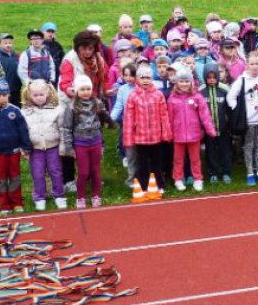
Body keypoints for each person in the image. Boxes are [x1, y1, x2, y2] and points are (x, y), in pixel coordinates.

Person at [0, 79, 31, 214]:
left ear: (8, 95)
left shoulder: (15, 111)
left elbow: (23, 130)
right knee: (1, 178)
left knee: (15, 176)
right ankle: (4, 204)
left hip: (14, 152)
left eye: (4, 95)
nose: (1, 98)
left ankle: (17, 202)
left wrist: (26, 147)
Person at [61, 75, 112, 208]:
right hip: (80, 143)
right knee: (83, 172)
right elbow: (66, 128)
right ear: (77, 90)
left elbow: (102, 120)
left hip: (95, 142)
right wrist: (69, 148)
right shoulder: (71, 106)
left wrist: (109, 123)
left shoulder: (97, 103)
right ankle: (80, 197)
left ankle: (96, 195)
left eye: (88, 89)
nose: (85, 92)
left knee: (96, 171)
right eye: (82, 89)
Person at [123, 63, 172, 200]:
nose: (145, 80)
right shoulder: (133, 96)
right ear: (137, 79)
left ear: (152, 79)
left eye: (148, 78)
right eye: (142, 77)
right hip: (140, 138)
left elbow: (164, 115)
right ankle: (143, 187)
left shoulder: (158, 95)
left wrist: (166, 133)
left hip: (156, 137)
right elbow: (129, 118)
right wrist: (128, 139)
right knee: (142, 164)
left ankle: (159, 185)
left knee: (157, 163)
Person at [167, 67, 217, 192]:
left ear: (191, 82)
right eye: (181, 81)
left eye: (186, 81)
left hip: (194, 134)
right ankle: (178, 179)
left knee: (195, 159)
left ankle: (198, 179)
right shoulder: (172, 98)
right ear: (177, 82)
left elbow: (205, 115)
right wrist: (169, 133)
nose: (184, 84)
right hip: (178, 135)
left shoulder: (197, 97)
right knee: (178, 159)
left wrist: (210, 129)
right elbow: (169, 118)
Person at [21, 80, 67, 211]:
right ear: (29, 95)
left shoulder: (57, 110)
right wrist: (23, 148)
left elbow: (63, 129)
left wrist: (63, 145)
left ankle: (59, 195)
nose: (39, 97)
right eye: (35, 95)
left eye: (41, 94)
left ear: (47, 93)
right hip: (35, 149)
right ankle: (39, 197)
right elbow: (22, 132)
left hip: (53, 147)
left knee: (56, 171)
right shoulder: (24, 112)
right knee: (37, 173)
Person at [228, 52, 258, 186]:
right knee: (248, 146)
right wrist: (238, 111)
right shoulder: (241, 80)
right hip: (248, 121)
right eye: (252, 64)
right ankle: (250, 173)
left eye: (257, 63)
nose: (254, 66)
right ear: (247, 65)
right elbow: (231, 97)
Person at [0, 33, 21, 107]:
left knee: (17, 108)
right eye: (5, 43)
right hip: (4, 90)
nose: (8, 45)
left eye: (10, 43)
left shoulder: (16, 55)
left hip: (16, 88)